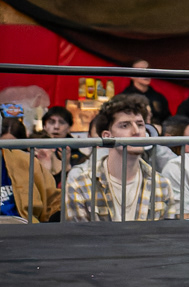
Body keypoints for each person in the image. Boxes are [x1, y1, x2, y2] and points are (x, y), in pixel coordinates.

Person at [63, 93, 176, 222]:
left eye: (140, 125)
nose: (136, 131)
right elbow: (79, 234)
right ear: (107, 136)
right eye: (125, 125)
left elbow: (168, 233)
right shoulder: (80, 185)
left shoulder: (162, 184)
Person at [120, 60, 172, 126]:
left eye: (148, 69)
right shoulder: (124, 97)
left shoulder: (159, 97)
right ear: (131, 75)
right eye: (141, 70)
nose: (146, 73)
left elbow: (167, 119)